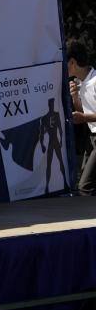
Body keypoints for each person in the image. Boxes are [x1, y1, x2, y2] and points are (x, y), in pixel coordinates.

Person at [67, 40, 96, 195]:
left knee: (85, 187)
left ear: (72, 62)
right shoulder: (80, 83)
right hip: (91, 139)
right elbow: (84, 111)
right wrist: (75, 98)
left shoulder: (94, 81)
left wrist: (83, 117)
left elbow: (85, 115)